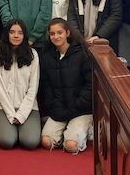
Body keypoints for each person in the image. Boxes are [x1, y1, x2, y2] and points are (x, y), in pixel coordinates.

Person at [40, 18, 93, 154]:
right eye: (52, 34)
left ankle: (84, 130)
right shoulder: (47, 56)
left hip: (80, 109)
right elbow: (46, 85)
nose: (56, 37)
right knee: (46, 142)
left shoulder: (82, 54)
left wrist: (79, 103)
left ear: (67, 33)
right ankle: (65, 131)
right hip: (59, 109)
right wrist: (53, 104)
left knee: (71, 145)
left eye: (60, 33)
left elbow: (90, 84)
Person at [0, 19, 40, 150]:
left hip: (28, 107)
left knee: (30, 142)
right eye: (12, 32)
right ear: (7, 34)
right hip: (4, 107)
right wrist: (11, 114)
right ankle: (13, 130)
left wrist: (21, 115)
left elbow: (33, 88)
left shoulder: (33, 55)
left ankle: (25, 129)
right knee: (7, 142)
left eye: (20, 33)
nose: (16, 36)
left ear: (24, 35)